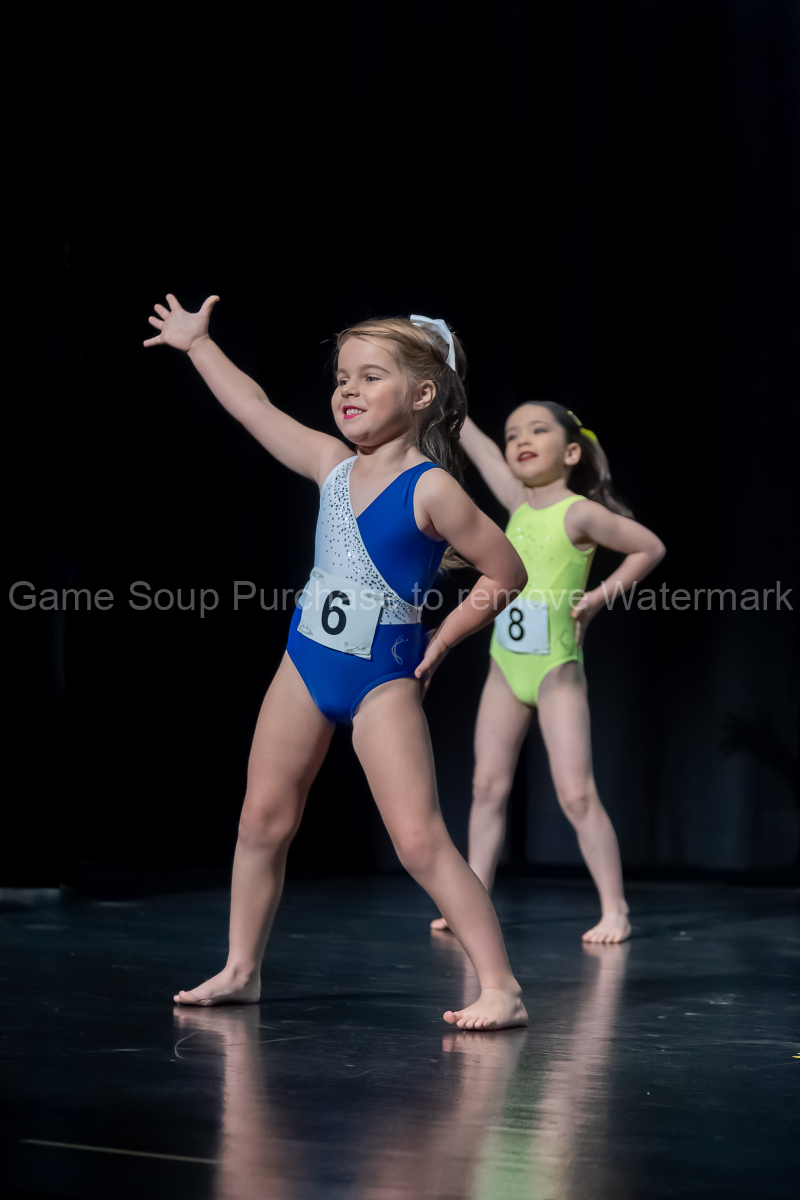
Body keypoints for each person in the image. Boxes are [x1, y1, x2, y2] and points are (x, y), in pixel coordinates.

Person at [144, 295, 528, 1028]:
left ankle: (501, 987)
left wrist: (444, 640)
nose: (348, 389)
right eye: (342, 377)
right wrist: (198, 346)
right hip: (304, 666)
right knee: (261, 822)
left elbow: (507, 571)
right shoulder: (331, 465)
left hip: (381, 680)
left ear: (422, 395)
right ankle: (241, 969)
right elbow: (255, 408)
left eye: (370, 377)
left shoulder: (432, 488)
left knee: (419, 842)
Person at [431, 403, 665, 943]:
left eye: (538, 431)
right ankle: (473, 904)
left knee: (576, 794)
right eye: (514, 434)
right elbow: (477, 444)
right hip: (505, 668)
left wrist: (598, 598)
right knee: (486, 786)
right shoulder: (517, 501)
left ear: (572, 451)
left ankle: (615, 910)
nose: (521, 441)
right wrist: (447, 387)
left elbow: (649, 546)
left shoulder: (578, 512)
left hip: (556, 671)